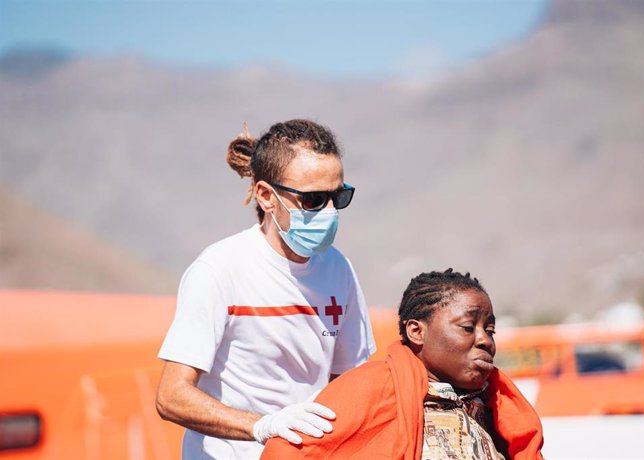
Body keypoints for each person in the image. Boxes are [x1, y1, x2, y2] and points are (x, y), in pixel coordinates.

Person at [155, 119, 377, 459]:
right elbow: (171, 397)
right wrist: (263, 426)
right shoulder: (219, 270)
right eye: (315, 199)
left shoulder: (339, 270)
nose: (330, 212)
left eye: (339, 196)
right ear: (266, 196)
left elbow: (351, 382)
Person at [261, 269, 544, 460]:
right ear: (416, 331)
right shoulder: (371, 386)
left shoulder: (496, 404)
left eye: (490, 330)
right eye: (468, 327)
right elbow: (287, 452)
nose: (485, 340)